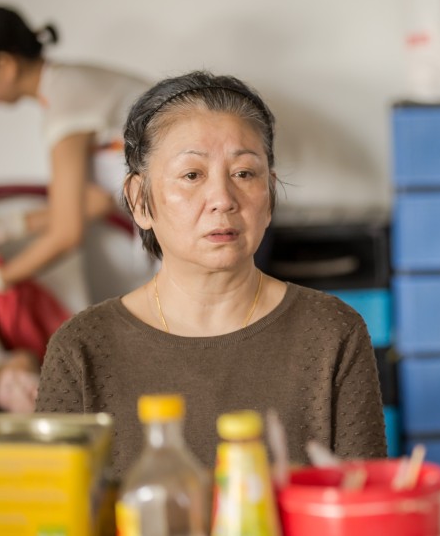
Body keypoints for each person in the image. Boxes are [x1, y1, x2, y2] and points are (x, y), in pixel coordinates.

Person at [36, 71, 387, 479]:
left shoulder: (332, 333)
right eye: (192, 175)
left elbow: (366, 508)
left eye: (244, 173)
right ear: (138, 200)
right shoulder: (82, 349)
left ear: (270, 196)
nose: (222, 199)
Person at [0, 4, 151, 298]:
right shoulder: (64, 85)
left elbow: (68, 233)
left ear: (5, 65)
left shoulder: (66, 102)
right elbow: (96, 201)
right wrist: (11, 225)